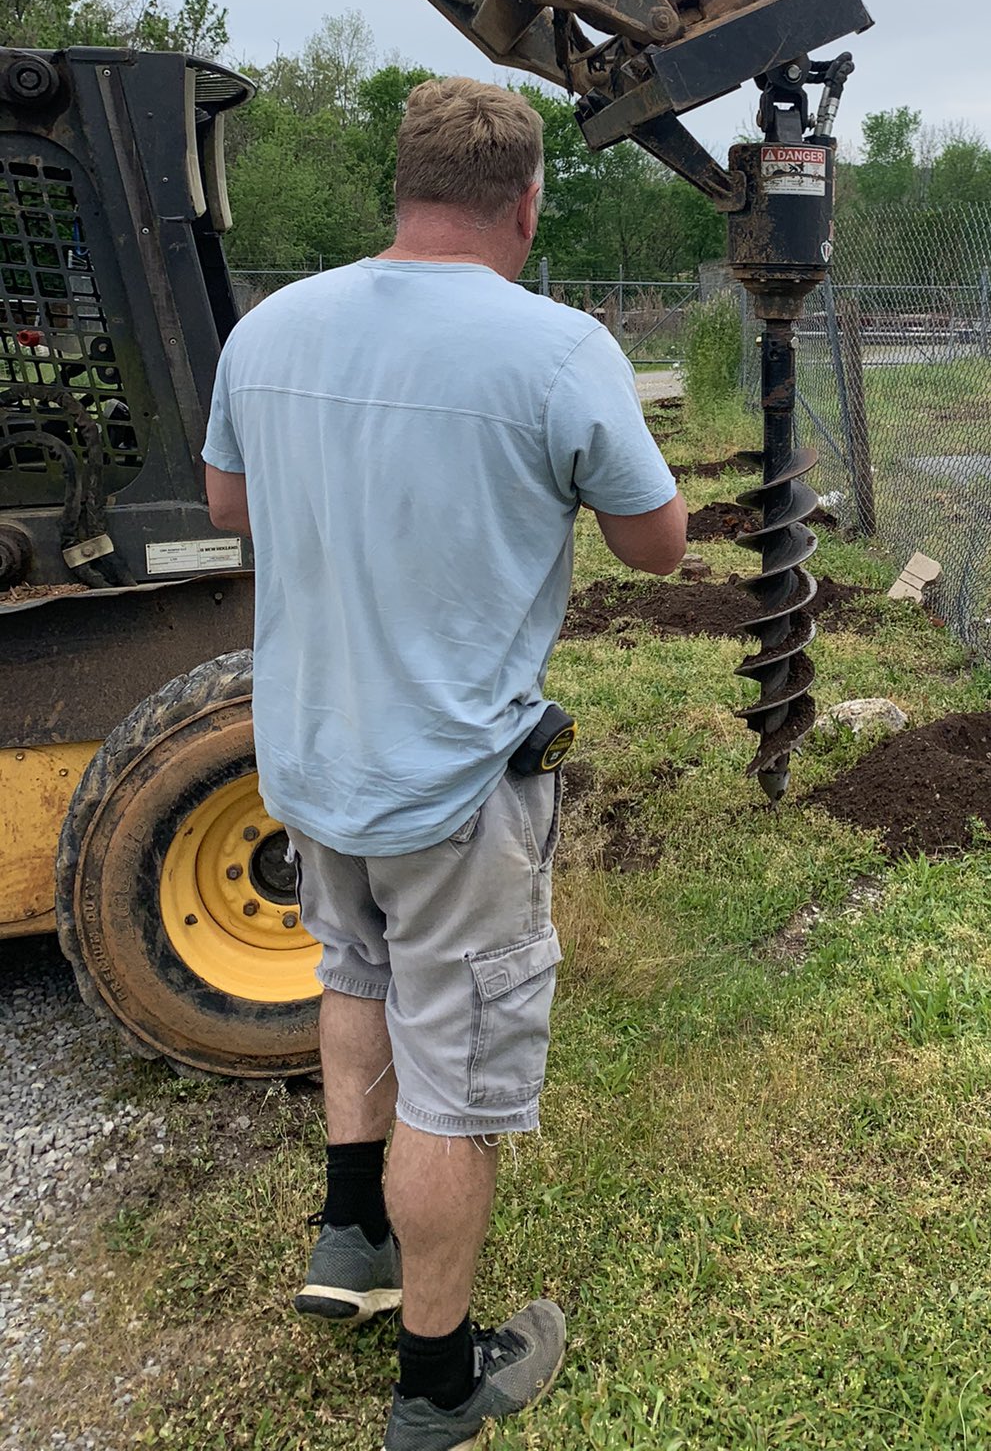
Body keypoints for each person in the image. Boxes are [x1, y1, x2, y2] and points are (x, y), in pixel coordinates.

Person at [202, 76, 686, 1451]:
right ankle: (436, 1386)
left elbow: (232, 505)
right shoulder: (557, 349)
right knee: (457, 1082)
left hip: (312, 756)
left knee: (354, 976)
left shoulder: (270, 328)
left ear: (401, 189)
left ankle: (350, 1233)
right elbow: (658, 546)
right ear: (527, 204)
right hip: (457, 785)